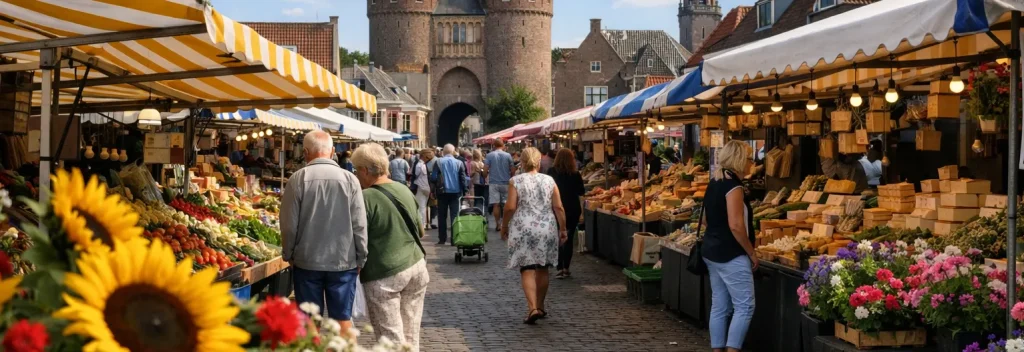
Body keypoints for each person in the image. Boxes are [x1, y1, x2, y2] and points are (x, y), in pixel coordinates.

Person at [281, 130, 367, 333]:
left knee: (309, 322)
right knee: (342, 320)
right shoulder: (350, 179)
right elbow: (359, 223)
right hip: (343, 260)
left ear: (306, 152)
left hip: (307, 260)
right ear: (333, 151)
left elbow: (288, 224)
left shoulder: (298, 179)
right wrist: (361, 256)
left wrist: (289, 253)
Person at [351, 143, 430, 351]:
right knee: (411, 336)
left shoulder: (365, 197)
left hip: (384, 273)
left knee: (390, 338)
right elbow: (420, 231)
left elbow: (357, 239)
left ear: (365, 170)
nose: (356, 176)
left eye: (356, 170)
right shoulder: (403, 189)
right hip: (416, 266)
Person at [701, 140, 757, 352]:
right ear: (740, 160)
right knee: (744, 306)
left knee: (720, 306)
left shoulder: (714, 182)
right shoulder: (733, 187)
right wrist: (751, 252)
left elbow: (705, 219)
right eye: (750, 158)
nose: (752, 163)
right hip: (730, 254)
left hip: (712, 251)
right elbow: (736, 225)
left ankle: (717, 349)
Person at [501, 147, 567, 325]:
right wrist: (563, 229)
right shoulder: (549, 180)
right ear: (538, 162)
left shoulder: (516, 181)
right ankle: (541, 305)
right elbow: (559, 207)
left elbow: (510, 207)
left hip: (523, 227)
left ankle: (532, 308)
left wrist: (504, 225)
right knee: (543, 268)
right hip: (546, 227)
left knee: (527, 268)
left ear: (521, 162)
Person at [547, 148, 585, 279]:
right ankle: (566, 267)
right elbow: (581, 193)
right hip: (573, 208)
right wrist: (582, 213)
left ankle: (559, 267)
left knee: (558, 236)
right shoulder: (575, 174)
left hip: (556, 208)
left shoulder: (551, 172)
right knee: (568, 238)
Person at [431, 144, 470, 246]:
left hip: (442, 192)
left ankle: (442, 239)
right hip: (456, 192)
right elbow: (463, 178)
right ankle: (454, 239)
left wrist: (433, 190)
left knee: (442, 216)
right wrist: (465, 191)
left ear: (443, 152)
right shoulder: (459, 163)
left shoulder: (438, 162)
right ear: (453, 152)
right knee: (454, 216)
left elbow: (434, 177)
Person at [485, 139, 515, 232]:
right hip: (506, 182)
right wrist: (511, 177)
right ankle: (506, 224)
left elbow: (485, 169)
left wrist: (484, 175)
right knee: (506, 204)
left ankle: (498, 224)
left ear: (494, 145)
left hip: (494, 182)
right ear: (503, 146)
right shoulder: (508, 155)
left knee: (496, 205)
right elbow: (512, 169)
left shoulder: (489, 155)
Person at [413, 149, 433, 231]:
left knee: (420, 207)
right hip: (427, 188)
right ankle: (425, 223)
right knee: (424, 206)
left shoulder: (419, 165)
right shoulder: (425, 165)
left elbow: (416, 175)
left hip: (420, 187)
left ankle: (421, 224)